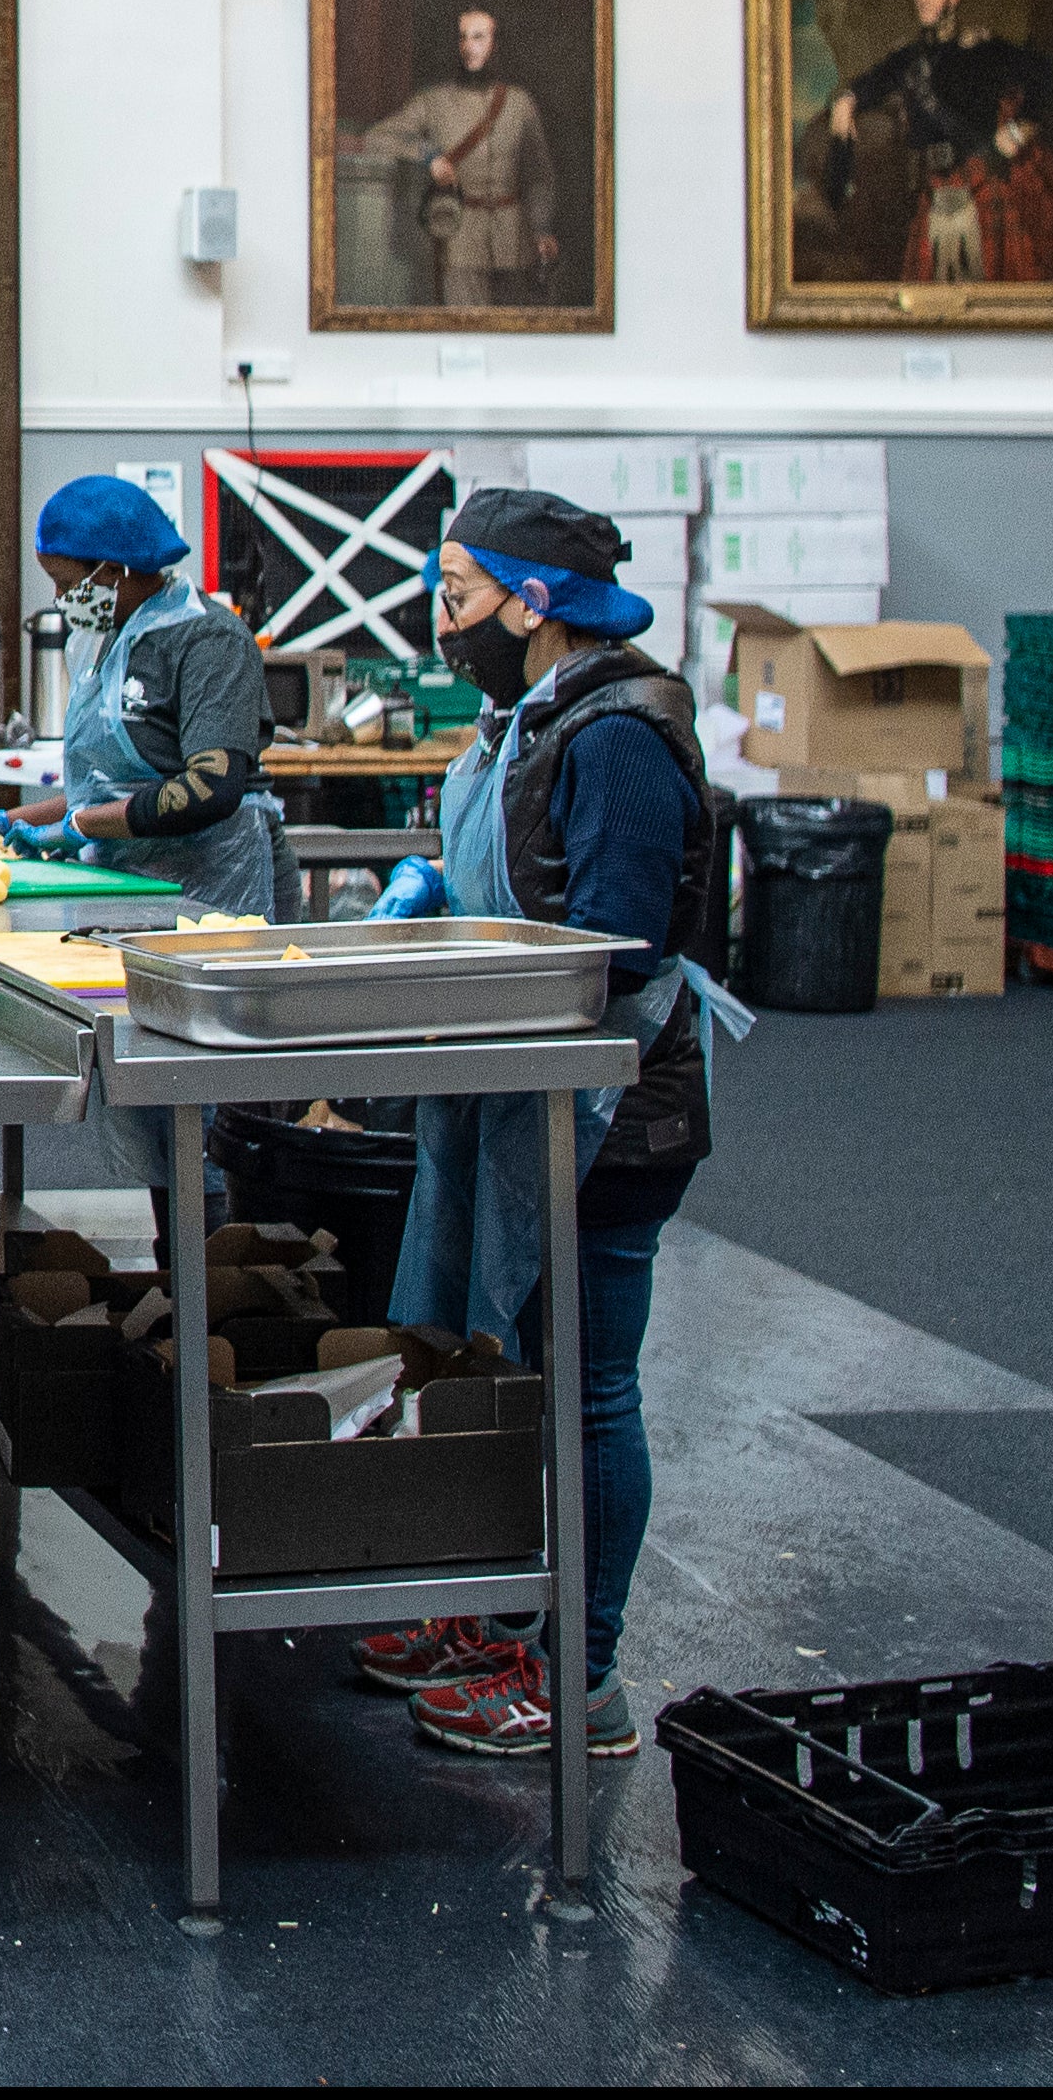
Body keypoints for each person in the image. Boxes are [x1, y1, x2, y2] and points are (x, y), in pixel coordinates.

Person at [347, 486, 746, 1763]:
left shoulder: (620, 739)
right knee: (491, 1371)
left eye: (460, 600)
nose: (445, 626)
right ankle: (492, 1608)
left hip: (608, 1116)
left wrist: (462, 971)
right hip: (508, 1092)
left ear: (536, 603)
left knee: (584, 1389)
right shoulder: (522, 718)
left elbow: (617, 952)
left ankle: (579, 1671)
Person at [0, 475, 281, 922]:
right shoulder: (98, 642)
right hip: (125, 887)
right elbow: (105, 789)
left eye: (65, 582)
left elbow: (210, 789)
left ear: (113, 569)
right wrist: (0, 824)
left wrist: (80, 827)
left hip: (214, 892)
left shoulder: (210, 641)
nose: (61, 599)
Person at [822, 0, 1053, 284]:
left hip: (981, 189)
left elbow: (1049, 77)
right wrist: (846, 101)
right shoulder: (908, 58)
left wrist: (1018, 131)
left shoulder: (983, 49)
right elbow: (869, 84)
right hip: (931, 194)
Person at [353, 3, 557, 310]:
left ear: (495, 44)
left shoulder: (519, 103)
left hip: (516, 241)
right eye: (462, 38)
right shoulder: (433, 101)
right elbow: (377, 138)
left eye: (478, 37)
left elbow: (539, 174)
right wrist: (428, 156)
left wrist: (540, 227)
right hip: (459, 238)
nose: (469, 47)